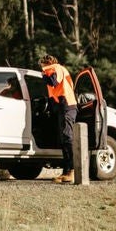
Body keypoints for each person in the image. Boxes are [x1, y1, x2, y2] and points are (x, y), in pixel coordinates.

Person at [40, 54, 77, 183]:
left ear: (47, 63)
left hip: (67, 106)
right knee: (64, 139)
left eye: (42, 66)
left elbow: (53, 81)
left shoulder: (55, 68)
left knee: (67, 138)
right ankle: (66, 171)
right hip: (64, 106)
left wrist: (44, 74)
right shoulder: (58, 69)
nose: (42, 69)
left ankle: (72, 171)